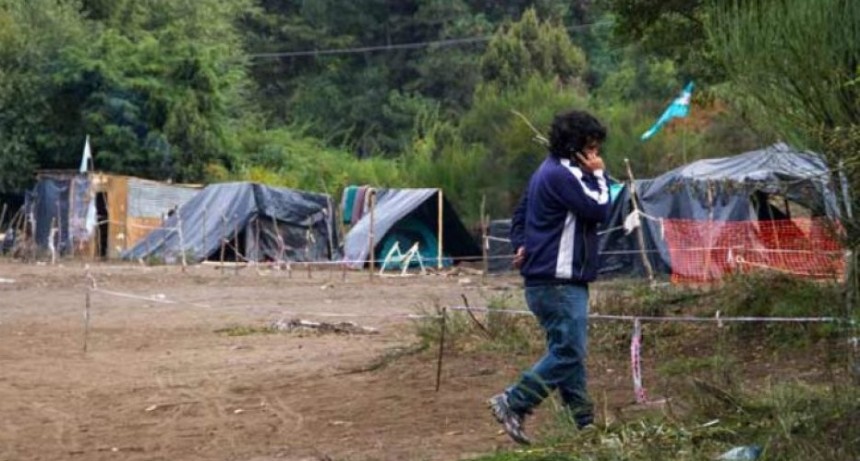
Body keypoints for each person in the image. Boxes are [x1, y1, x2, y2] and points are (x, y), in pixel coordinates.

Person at [489, 110, 610, 445]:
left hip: (549, 282)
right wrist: (600, 176)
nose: (596, 154)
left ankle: (583, 425)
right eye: (592, 147)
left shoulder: (544, 172)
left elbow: (519, 215)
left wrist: (521, 244)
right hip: (559, 282)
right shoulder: (564, 176)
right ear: (577, 146)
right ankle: (514, 401)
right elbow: (599, 210)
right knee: (569, 352)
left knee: (567, 352)